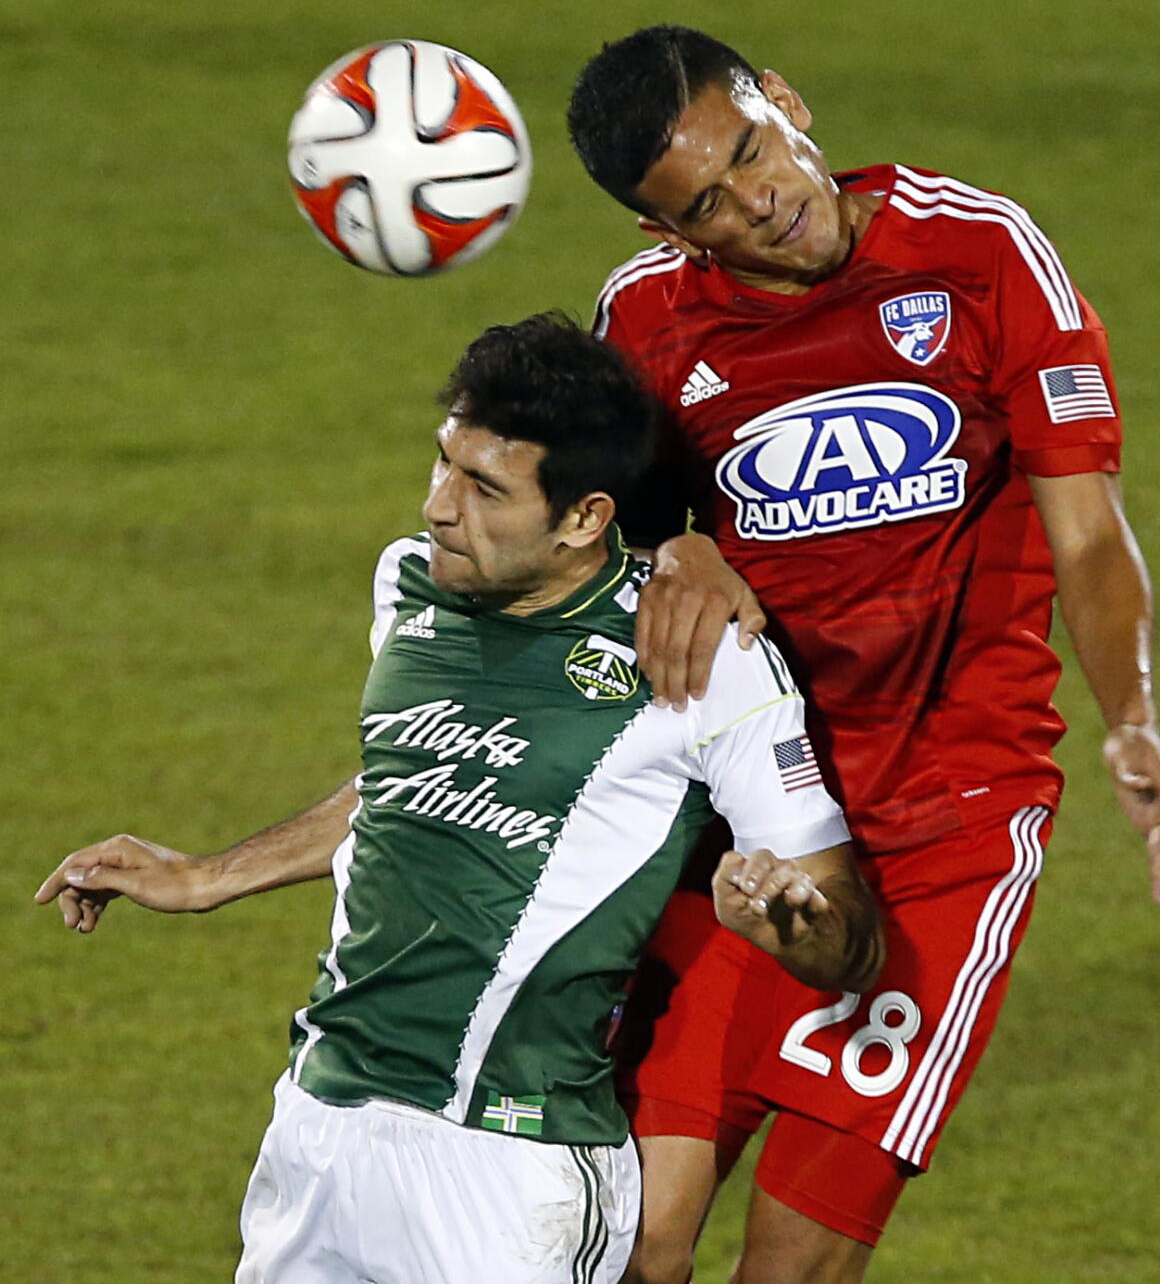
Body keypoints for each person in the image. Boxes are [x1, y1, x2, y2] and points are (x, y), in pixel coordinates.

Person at [35, 313, 884, 1284]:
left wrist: (786, 919)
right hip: (322, 1123)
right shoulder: (407, 587)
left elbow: (848, 944)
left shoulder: (701, 660)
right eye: (443, 464)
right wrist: (208, 875)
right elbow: (410, 780)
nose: (441, 506)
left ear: (583, 518)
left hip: (509, 1168)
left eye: (484, 488)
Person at [567, 26, 1160, 1284]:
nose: (759, 203)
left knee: (790, 1270)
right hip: (741, 816)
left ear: (785, 101)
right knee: (623, 1244)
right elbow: (606, 575)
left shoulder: (976, 254)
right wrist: (676, 556)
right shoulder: (644, 323)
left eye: (751, 151)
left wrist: (1128, 714)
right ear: (667, 235)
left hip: (947, 827)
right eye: (707, 208)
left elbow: (1085, 527)